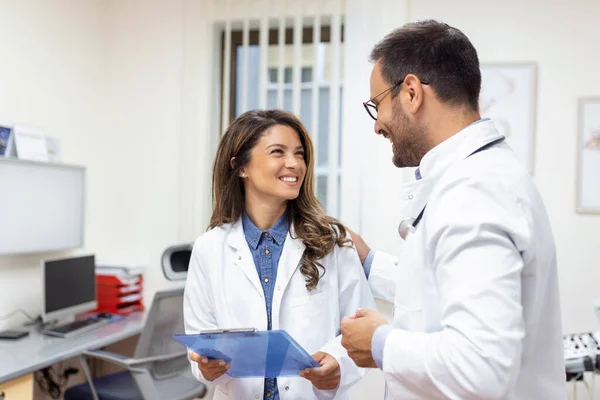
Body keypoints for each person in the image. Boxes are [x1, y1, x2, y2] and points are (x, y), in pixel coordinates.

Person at [340, 20, 566, 399]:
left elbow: (480, 367)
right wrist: (368, 261)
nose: (378, 124)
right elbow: (447, 285)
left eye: (376, 105)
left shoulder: (475, 191)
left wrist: (380, 344)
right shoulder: (476, 177)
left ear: (411, 92)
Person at [183, 109, 375, 399]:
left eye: (299, 154)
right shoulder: (209, 249)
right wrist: (207, 367)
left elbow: (361, 324)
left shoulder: (332, 241)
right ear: (240, 166)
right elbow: (200, 339)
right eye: (278, 152)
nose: (294, 164)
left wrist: (337, 363)